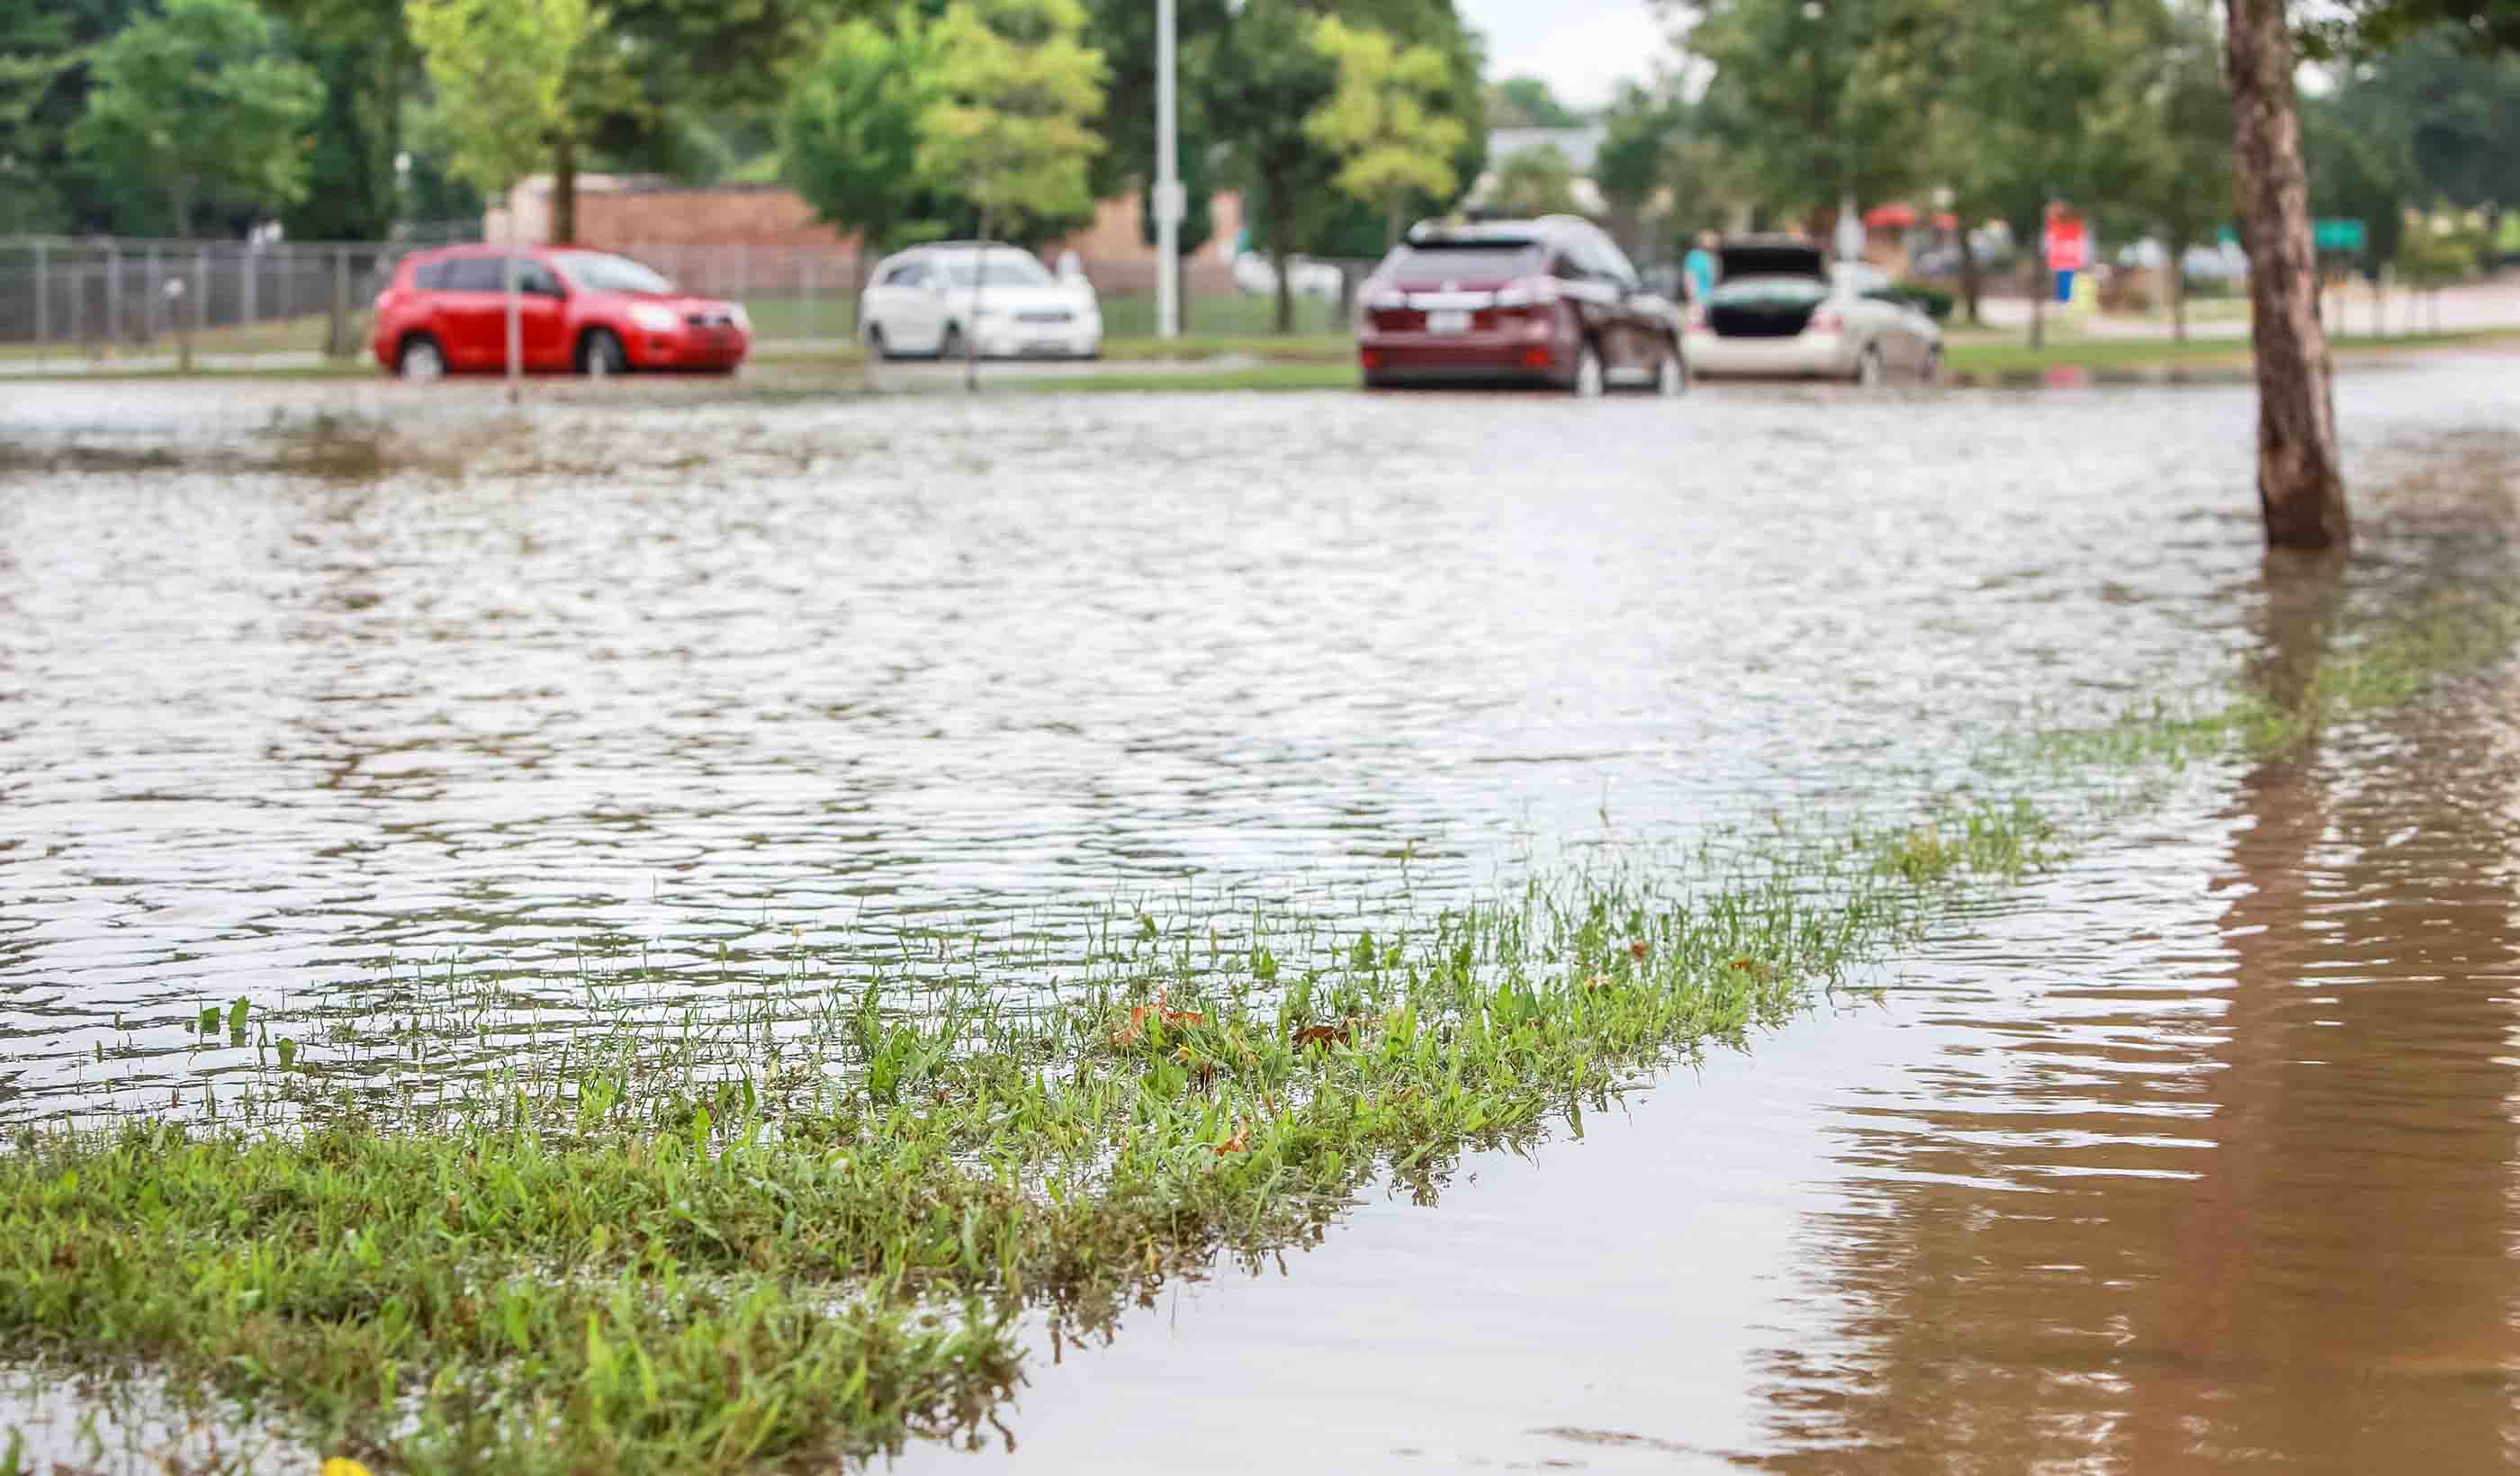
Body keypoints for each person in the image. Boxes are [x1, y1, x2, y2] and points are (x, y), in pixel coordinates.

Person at [1682, 231, 1718, 304]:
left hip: (1710, 297)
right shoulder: (1694, 256)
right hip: (1698, 298)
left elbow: (1714, 278)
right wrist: (1692, 297)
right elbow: (1689, 277)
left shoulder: (1712, 257)